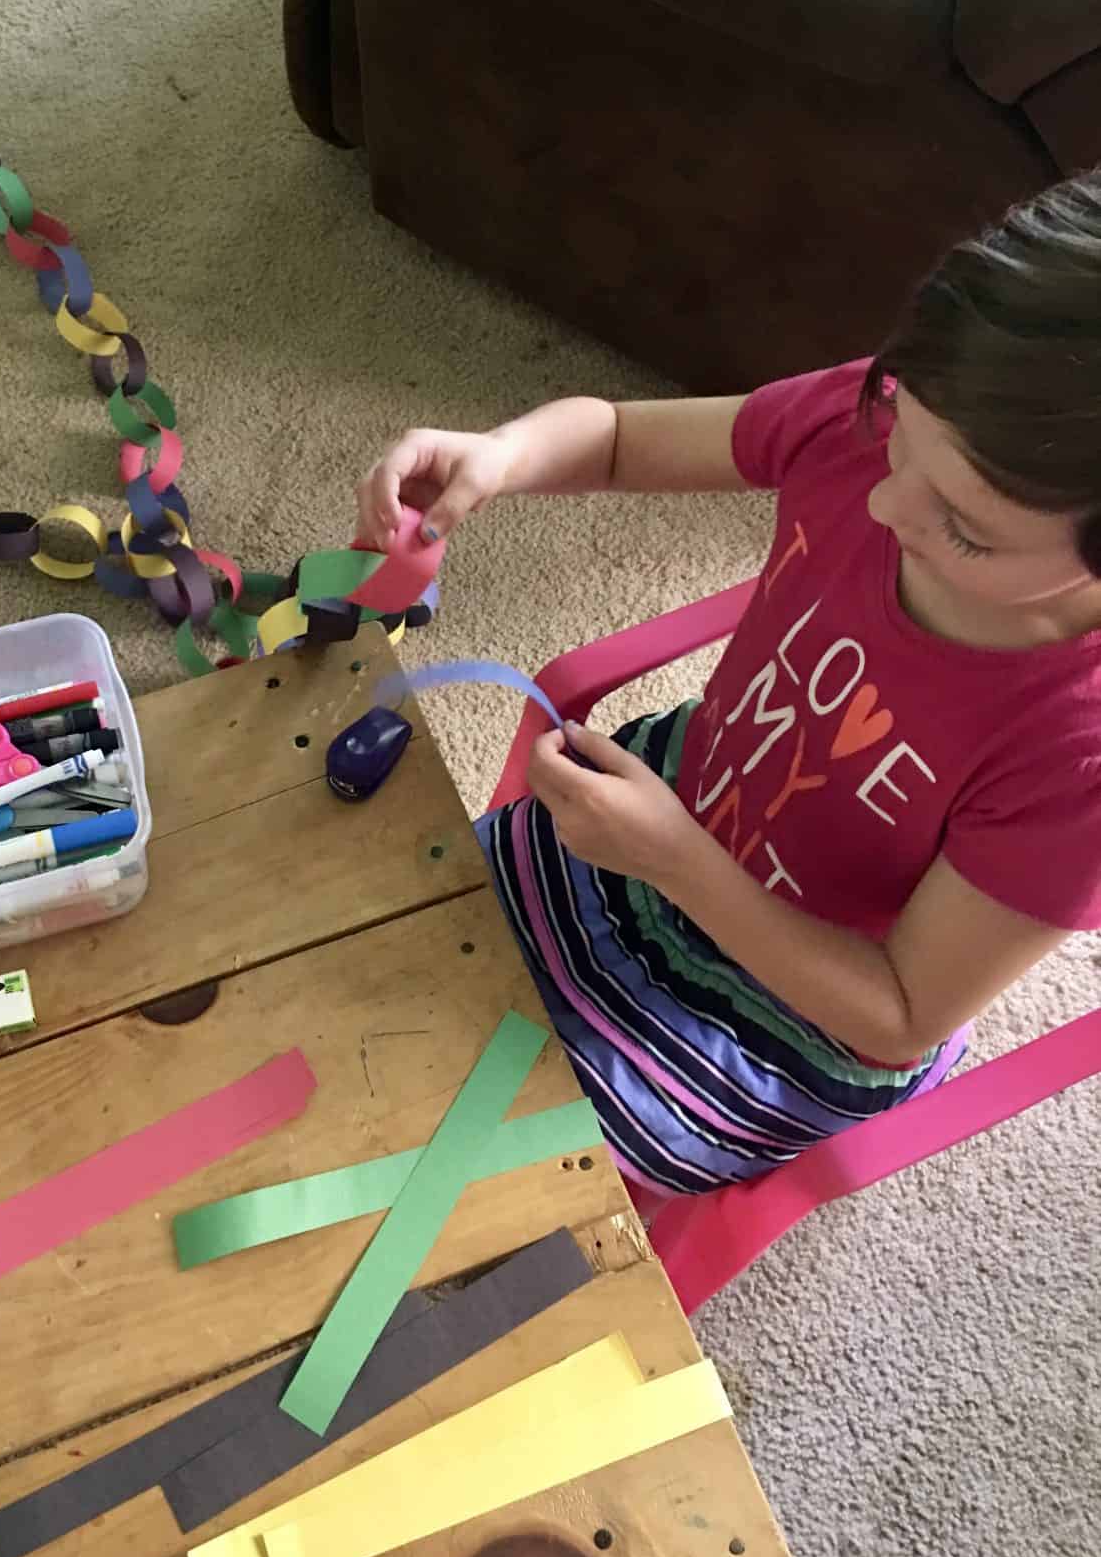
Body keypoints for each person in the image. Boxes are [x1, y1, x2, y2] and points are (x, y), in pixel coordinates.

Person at [354, 173, 1101, 1205]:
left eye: (967, 527)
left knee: (494, 1182)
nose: (880, 498)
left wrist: (676, 859)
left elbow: (897, 1012)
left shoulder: (1079, 752)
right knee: (372, 942)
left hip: (792, 1014)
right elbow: (620, 437)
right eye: (898, 429)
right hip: (662, 820)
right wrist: (505, 452)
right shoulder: (890, 420)